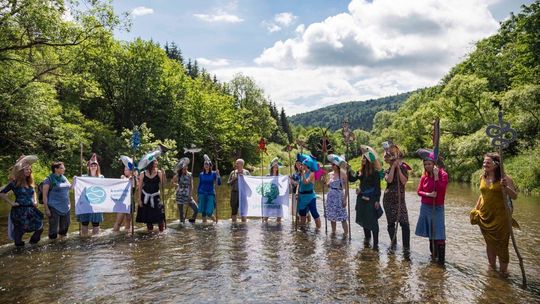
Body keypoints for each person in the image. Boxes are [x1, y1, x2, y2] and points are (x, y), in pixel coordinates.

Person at [470, 152, 518, 277]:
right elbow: (482, 195)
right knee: (489, 243)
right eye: (484, 162)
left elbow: (514, 196)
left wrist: (506, 187)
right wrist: (475, 209)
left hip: (501, 217)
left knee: (502, 244)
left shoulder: (506, 179)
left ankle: (503, 272)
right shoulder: (482, 177)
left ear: (496, 165)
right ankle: (491, 268)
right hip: (485, 216)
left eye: (488, 162)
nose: (484, 164)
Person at [0, 155, 44, 247]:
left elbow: (33, 192)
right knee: (20, 230)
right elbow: (2, 193)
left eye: (29, 169)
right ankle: (18, 248)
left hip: (31, 209)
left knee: (39, 227)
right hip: (19, 210)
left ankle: (33, 244)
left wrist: (35, 200)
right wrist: (11, 203)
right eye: (26, 169)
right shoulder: (14, 183)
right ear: (21, 171)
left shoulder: (30, 182)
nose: (29, 171)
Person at [415, 150, 448, 265]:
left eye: (429, 164)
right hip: (425, 207)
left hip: (437, 207)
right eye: (425, 164)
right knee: (431, 233)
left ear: (434, 163)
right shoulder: (424, 176)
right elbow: (419, 191)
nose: (427, 166)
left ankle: (441, 262)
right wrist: (428, 194)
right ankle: (433, 258)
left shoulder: (443, 174)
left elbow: (441, 189)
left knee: (439, 233)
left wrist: (436, 177)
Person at [348, 148, 383, 248]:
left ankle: (376, 243)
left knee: (373, 220)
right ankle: (367, 240)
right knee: (364, 219)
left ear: (368, 161)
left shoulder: (375, 173)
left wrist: (377, 200)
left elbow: (378, 188)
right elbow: (352, 179)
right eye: (362, 158)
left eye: (364, 158)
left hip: (371, 199)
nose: (362, 160)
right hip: (361, 198)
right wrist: (349, 170)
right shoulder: (361, 171)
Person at [382, 146, 410, 253]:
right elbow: (389, 180)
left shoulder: (403, 168)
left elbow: (403, 181)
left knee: (405, 224)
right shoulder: (387, 170)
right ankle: (393, 244)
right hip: (388, 200)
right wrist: (393, 168)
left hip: (400, 201)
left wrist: (398, 169)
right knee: (391, 223)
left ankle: (406, 248)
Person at [42, 161, 72, 239]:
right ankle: (52, 245)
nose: (64, 169)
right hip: (53, 207)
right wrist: (46, 209)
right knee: (53, 230)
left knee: (65, 228)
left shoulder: (64, 178)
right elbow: (44, 195)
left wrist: (75, 180)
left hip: (66, 206)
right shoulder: (48, 179)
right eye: (62, 168)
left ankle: (62, 243)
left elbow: (70, 188)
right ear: (56, 169)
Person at [77, 153, 104, 236]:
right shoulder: (83, 177)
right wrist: (76, 179)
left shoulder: (101, 177)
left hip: (96, 203)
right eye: (91, 165)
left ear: (97, 167)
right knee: (84, 223)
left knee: (96, 224)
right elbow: (78, 188)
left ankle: (94, 241)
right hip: (85, 203)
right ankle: (84, 240)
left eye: (95, 165)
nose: (93, 167)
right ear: (89, 167)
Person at [136, 160, 166, 231]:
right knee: (148, 218)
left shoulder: (159, 173)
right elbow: (139, 187)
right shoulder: (143, 173)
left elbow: (163, 184)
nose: (157, 162)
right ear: (150, 163)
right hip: (145, 197)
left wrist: (164, 174)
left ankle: (162, 233)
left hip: (156, 197)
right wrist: (139, 199)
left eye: (157, 161)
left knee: (160, 216)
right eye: (155, 161)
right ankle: (150, 233)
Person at [325, 154, 349, 237]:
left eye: (334, 164)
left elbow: (347, 188)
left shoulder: (342, 174)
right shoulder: (330, 174)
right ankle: (333, 232)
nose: (332, 166)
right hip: (331, 197)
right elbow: (328, 185)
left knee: (343, 217)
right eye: (331, 164)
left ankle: (346, 234)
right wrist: (325, 182)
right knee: (332, 216)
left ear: (338, 165)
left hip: (339, 197)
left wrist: (345, 199)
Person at [297, 154, 322, 229]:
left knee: (314, 213)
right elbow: (300, 184)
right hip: (302, 196)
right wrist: (297, 193)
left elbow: (306, 182)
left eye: (303, 164)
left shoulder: (312, 173)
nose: (302, 165)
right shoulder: (302, 173)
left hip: (310, 197)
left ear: (306, 165)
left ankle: (318, 229)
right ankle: (302, 229)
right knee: (302, 214)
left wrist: (302, 174)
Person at [113, 156, 136, 232]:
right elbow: (123, 180)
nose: (125, 171)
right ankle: (115, 233)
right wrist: (127, 179)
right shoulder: (122, 177)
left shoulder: (134, 179)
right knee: (118, 221)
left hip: (130, 202)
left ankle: (127, 233)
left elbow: (135, 186)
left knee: (128, 220)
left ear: (131, 170)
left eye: (127, 169)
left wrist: (133, 178)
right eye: (124, 169)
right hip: (122, 203)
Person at [197, 154, 221, 223]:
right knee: (203, 211)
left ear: (210, 166)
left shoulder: (214, 174)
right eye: (205, 164)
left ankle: (215, 221)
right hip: (202, 193)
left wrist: (218, 174)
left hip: (210, 193)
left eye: (207, 164)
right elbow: (199, 184)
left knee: (209, 212)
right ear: (204, 166)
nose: (206, 166)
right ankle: (204, 224)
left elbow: (219, 183)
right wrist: (198, 194)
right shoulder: (201, 174)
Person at [173, 157, 198, 223]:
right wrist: (177, 185)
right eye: (183, 167)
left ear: (187, 167)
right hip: (179, 195)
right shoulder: (178, 174)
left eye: (185, 167)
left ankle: (192, 220)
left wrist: (190, 194)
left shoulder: (190, 174)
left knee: (196, 210)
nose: (184, 168)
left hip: (187, 195)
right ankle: (182, 226)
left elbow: (191, 185)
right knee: (181, 213)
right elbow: (172, 182)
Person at [228, 158, 250, 223]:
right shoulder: (233, 172)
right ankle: (233, 226)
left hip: (243, 194)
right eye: (236, 163)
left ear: (242, 164)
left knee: (244, 211)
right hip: (234, 193)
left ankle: (244, 226)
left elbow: (250, 183)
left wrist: (244, 178)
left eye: (237, 163)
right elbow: (228, 183)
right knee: (234, 210)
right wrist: (233, 179)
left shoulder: (246, 172)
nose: (236, 164)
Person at [263, 157, 283, 223]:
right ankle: (264, 224)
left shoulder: (280, 176)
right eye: (274, 167)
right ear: (272, 168)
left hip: (278, 195)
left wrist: (288, 178)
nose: (275, 168)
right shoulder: (267, 176)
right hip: (270, 195)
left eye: (276, 167)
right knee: (267, 212)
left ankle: (278, 224)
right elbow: (264, 185)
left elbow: (284, 184)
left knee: (279, 212)